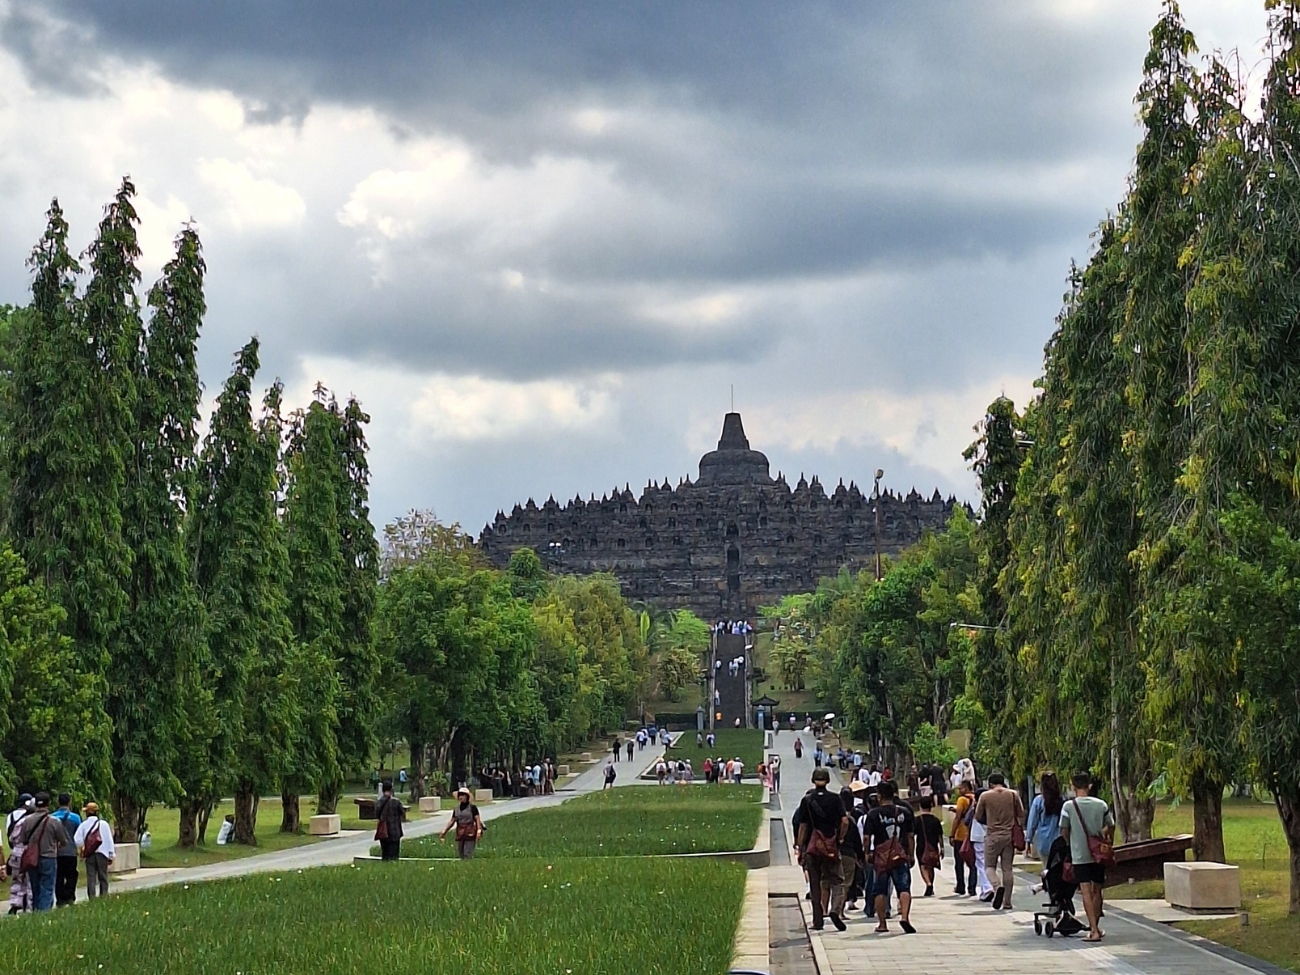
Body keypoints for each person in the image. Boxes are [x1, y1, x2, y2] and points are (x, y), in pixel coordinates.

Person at [1060, 771, 1115, 942]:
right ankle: (1096, 926)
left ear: (1072, 786)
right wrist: (1104, 836)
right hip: (1098, 853)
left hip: (1080, 854)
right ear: (1089, 786)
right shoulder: (1101, 804)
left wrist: (1071, 843)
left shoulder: (1069, 806)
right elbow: (1111, 825)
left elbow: (1064, 829)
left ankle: (1093, 930)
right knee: (1097, 889)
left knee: (1085, 891)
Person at [795, 768, 848, 931]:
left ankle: (818, 921)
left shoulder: (807, 800)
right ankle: (835, 909)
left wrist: (800, 847)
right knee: (837, 880)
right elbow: (845, 821)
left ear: (813, 780)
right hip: (830, 845)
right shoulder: (835, 798)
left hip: (813, 848)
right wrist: (839, 837)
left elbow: (803, 826)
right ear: (828, 780)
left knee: (815, 884)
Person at [862, 781, 915, 934]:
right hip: (900, 854)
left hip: (881, 857)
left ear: (879, 796)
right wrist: (911, 854)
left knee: (880, 890)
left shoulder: (873, 814)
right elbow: (910, 836)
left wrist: (867, 852)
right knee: (904, 888)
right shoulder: (904, 812)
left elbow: (867, 837)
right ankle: (905, 917)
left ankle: (882, 923)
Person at [974, 771, 1026, 910]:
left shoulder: (985, 796)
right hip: (1008, 836)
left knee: (989, 866)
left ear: (990, 784)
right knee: (1007, 868)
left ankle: (997, 887)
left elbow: (978, 816)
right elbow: (1021, 814)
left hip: (992, 835)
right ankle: (1007, 902)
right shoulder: (1013, 794)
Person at [20, 793, 69, 911]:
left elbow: (23, 839)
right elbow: (63, 840)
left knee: (35, 887)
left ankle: (36, 911)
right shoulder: (54, 821)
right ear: (49, 804)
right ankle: (44, 914)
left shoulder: (27, 821)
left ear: (35, 804)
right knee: (47, 887)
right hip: (49, 857)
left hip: (32, 858)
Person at [73, 803, 114, 899]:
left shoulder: (83, 825)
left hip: (90, 854)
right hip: (102, 854)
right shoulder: (104, 824)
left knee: (91, 877)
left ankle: (92, 897)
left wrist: (83, 847)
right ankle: (104, 896)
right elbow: (109, 840)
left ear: (87, 813)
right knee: (103, 876)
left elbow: (77, 839)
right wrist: (111, 854)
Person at [51, 793, 81, 906]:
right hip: (71, 851)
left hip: (57, 852)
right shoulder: (75, 818)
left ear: (58, 802)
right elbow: (79, 833)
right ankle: (70, 896)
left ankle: (60, 898)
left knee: (58, 876)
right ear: (69, 802)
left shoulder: (52, 817)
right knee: (71, 875)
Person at [1027, 771, 1064, 860]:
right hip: (1059, 841)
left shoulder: (1038, 801)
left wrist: (1028, 839)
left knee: (1046, 868)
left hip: (1043, 842)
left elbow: (1032, 822)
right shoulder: (1063, 801)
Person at [949, 781, 978, 896]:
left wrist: (951, 833)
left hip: (961, 834)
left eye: (961, 788)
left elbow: (958, 818)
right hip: (973, 833)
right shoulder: (976, 798)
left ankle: (960, 886)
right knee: (973, 863)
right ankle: (972, 887)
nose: (959, 790)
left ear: (966, 788)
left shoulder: (962, 800)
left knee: (959, 862)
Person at [439, 787, 484, 859]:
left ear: (467, 796)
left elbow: (477, 819)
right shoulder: (456, 809)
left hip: (470, 832)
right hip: (460, 833)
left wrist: (479, 830)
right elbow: (452, 821)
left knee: (467, 854)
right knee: (461, 853)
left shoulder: (473, 808)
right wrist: (445, 831)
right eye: (459, 795)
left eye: (463, 795)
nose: (461, 797)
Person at [914, 795, 944, 897]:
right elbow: (940, 835)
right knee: (931, 866)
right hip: (933, 845)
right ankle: (931, 883)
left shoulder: (917, 820)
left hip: (922, 845)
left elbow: (912, 834)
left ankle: (928, 883)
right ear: (931, 805)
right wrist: (942, 847)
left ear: (920, 806)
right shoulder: (935, 820)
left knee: (923, 866)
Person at [374, 782, 405, 861]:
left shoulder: (379, 802)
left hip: (384, 832)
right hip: (395, 831)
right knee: (394, 855)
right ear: (391, 789)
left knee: (385, 855)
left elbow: (377, 815)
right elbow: (402, 813)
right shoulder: (396, 802)